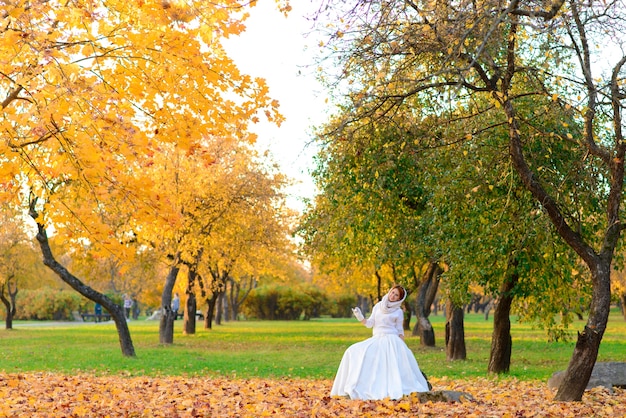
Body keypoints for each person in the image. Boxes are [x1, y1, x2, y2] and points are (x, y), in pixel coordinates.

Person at [330, 285, 431, 400]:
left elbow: (399, 330)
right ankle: (356, 385)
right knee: (352, 351)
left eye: (396, 295)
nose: (393, 296)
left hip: (392, 340)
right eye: (392, 292)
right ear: (389, 292)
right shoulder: (378, 306)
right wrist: (360, 317)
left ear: (399, 299)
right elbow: (369, 324)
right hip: (377, 339)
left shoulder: (398, 312)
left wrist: (403, 346)